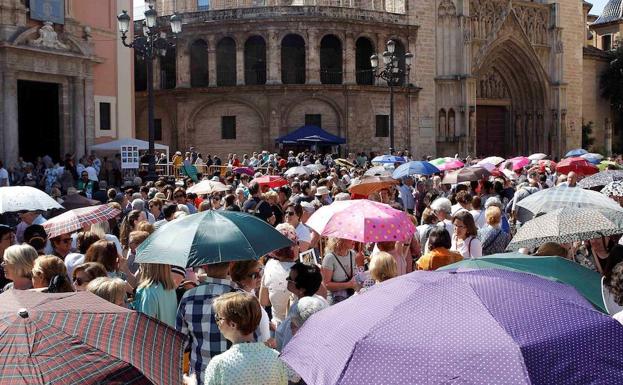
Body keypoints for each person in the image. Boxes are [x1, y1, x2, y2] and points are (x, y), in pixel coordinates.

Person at [198, 292, 288, 385]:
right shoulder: (277, 358)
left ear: (233, 324)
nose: (218, 322)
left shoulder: (219, 364)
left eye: (219, 318)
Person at [177, 261, 239, 384]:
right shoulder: (240, 298)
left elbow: (181, 342)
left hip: (200, 374)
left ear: (205, 266)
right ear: (230, 265)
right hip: (233, 375)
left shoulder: (188, 296)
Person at [275, 262, 324, 351]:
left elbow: (289, 344)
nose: (287, 280)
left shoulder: (299, 310)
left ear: (302, 289)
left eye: (290, 279)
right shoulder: (320, 301)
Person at [260, 224, 299, 326]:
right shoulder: (300, 270)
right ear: (293, 246)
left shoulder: (269, 265)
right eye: (297, 243)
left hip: (276, 327)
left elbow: (263, 301)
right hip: (296, 329)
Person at [230, 260, 270, 343]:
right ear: (241, 280)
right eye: (254, 275)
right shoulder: (242, 301)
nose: (259, 277)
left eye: (260, 271)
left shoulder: (250, 292)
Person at [321, 237, 359, 304]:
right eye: (351, 238)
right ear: (340, 240)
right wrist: (348, 285)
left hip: (352, 296)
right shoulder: (329, 258)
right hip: (336, 299)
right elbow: (326, 285)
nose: (354, 241)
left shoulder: (353, 254)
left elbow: (355, 274)